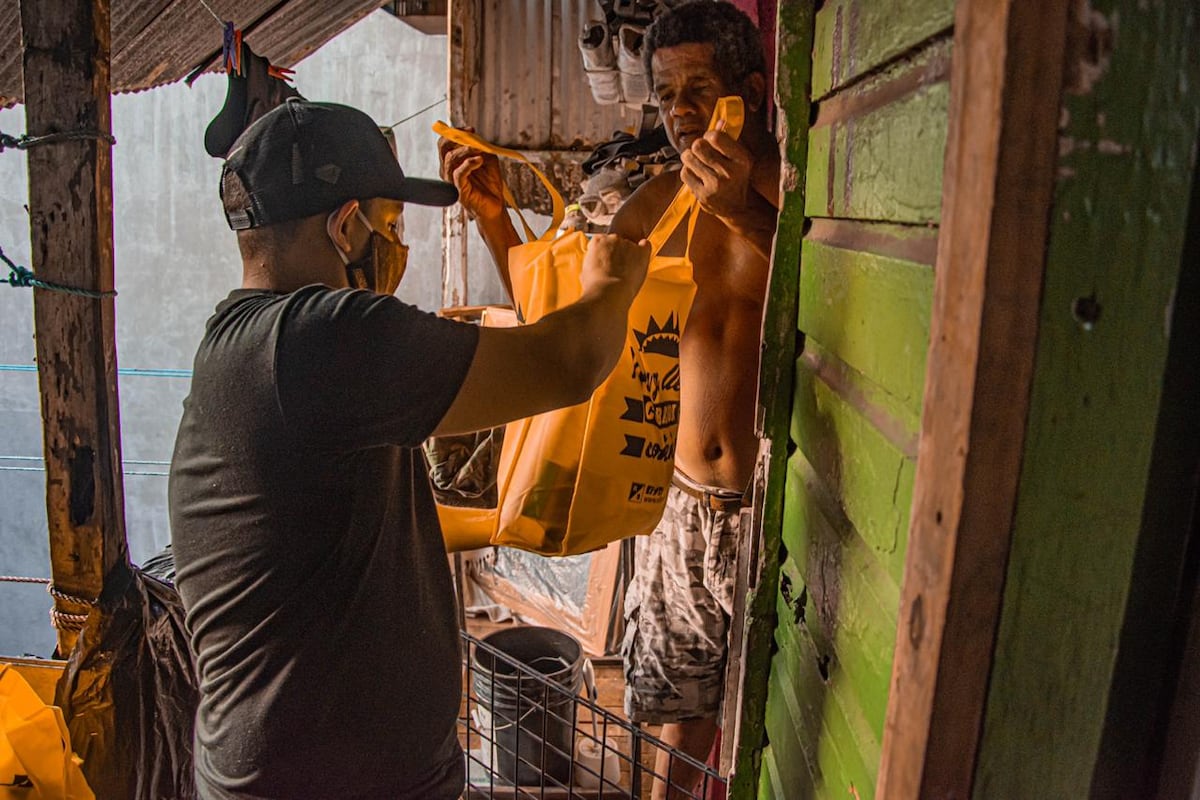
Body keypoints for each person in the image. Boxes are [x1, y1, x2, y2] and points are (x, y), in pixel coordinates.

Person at [168, 98, 650, 800]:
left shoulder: (250, 348)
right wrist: (612, 277)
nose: (399, 248)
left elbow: (349, 526)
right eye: (390, 227)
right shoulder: (317, 339)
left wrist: (501, 524)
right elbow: (569, 363)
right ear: (345, 227)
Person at [441, 3, 779, 797]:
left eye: (700, 89)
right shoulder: (656, 204)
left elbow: (829, 297)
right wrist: (494, 220)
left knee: (780, 713)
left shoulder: (796, 199)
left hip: (772, 508)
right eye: (667, 95)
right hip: (680, 504)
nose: (682, 112)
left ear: (752, 90)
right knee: (678, 711)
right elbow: (563, 317)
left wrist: (741, 210)